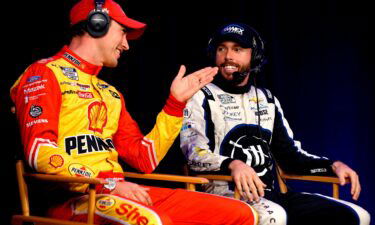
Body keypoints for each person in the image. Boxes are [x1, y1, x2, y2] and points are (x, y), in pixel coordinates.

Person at [10, 1, 259, 224]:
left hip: (116, 192)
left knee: (240, 213)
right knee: (151, 221)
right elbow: (39, 153)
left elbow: (144, 159)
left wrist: (175, 104)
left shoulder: (111, 93)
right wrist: (108, 183)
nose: (126, 45)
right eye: (123, 32)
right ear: (97, 24)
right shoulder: (43, 73)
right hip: (73, 200)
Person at [180, 22, 371, 225]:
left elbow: (291, 157)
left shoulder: (267, 99)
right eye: (221, 48)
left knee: (356, 215)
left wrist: (331, 166)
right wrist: (233, 164)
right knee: (275, 217)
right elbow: (194, 155)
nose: (228, 56)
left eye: (238, 49)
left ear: (255, 56)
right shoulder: (199, 96)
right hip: (222, 197)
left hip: (271, 197)